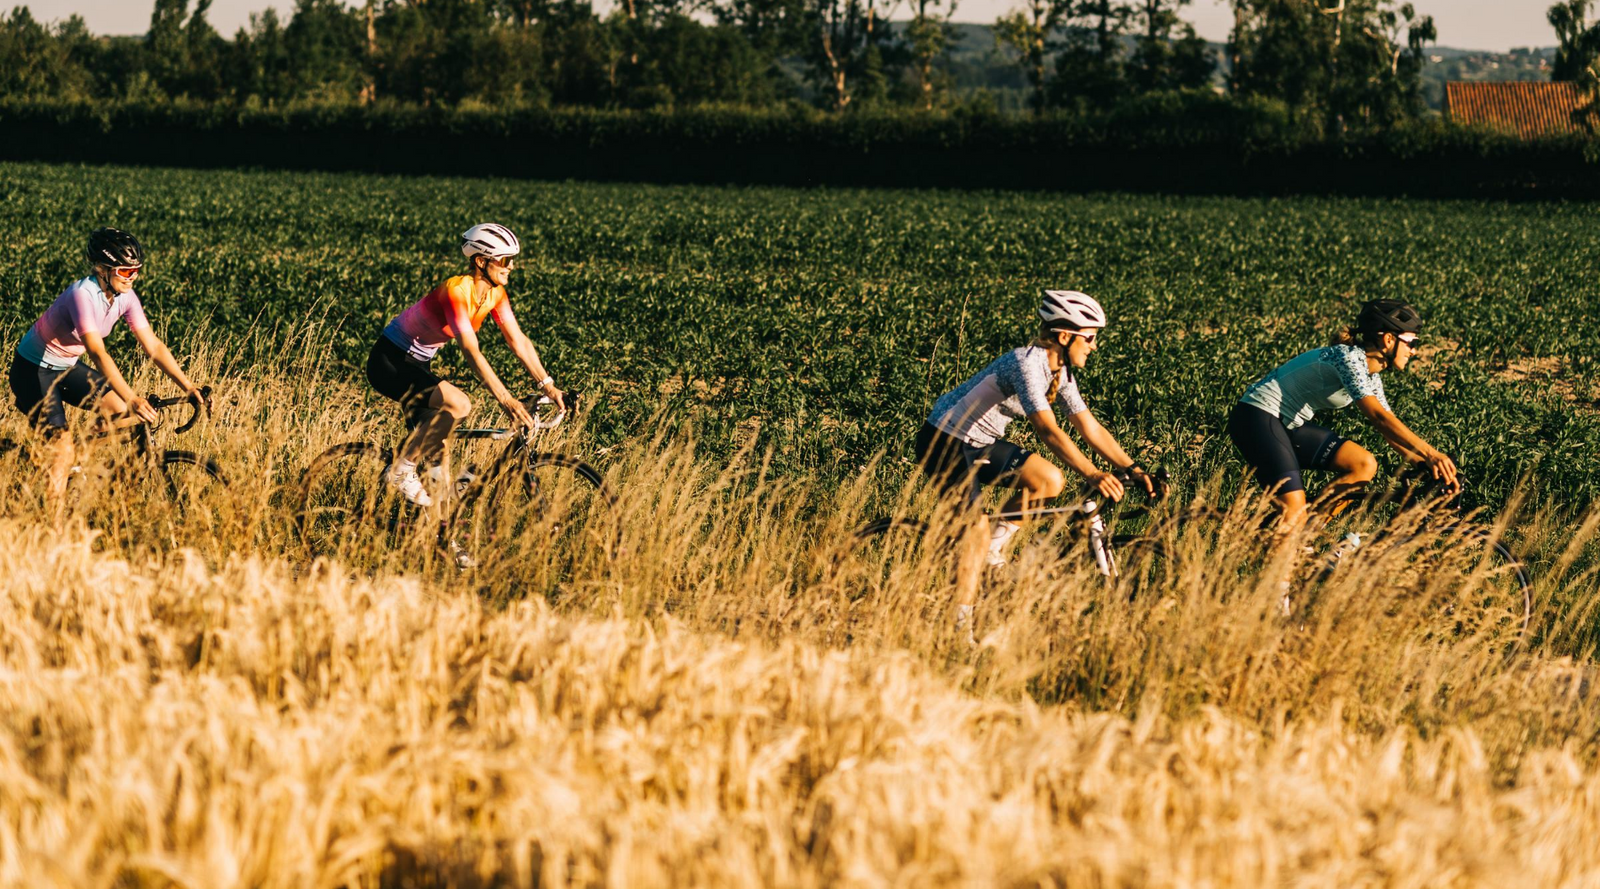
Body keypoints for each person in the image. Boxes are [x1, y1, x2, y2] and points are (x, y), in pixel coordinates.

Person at [916, 289, 1160, 630]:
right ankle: (959, 628)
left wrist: (1132, 469)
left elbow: (1089, 426)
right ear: (1065, 336)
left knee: (1049, 480)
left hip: (981, 443)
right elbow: (1048, 430)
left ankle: (991, 552)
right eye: (1090, 338)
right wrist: (1092, 473)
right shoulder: (1027, 363)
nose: (1094, 346)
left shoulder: (1060, 372)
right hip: (945, 441)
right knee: (975, 530)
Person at [366, 223, 566, 507]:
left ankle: (438, 528)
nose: (511, 266)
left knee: (440, 464)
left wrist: (549, 386)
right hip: (390, 361)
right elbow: (471, 351)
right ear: (481, 261)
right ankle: (399, 470)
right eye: (505, 260)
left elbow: (518, 341)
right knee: (459, 404)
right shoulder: (456, 292)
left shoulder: (495, 293)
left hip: (419, 365)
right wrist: (507, 401)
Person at [1228, 298, 1458, 530]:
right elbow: (1379, 418)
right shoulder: (1348, 358)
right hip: (1256, 417)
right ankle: (1288, 541)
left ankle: (1307, 533)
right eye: (1411, 342)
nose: (1414, 350)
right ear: (1389, 339)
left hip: (1287, 425)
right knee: (1293, 514)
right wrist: (1431, 454)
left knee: (1363, 464)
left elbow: (1390, 430)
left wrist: (1428, 466)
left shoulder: (1371, 376)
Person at [9, 227, 206, 495]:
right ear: (102, 269)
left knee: (122, 415)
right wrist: (133, 398)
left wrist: (188, 386)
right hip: (33, 370)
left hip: (67, 366)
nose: (132, 277)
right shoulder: (82, 295)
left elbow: (154, 346)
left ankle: (70, 466)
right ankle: (52, 517)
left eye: (136, 271)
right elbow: (97, 352)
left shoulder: (125, 297)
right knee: (63, 448)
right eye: (125, 271)